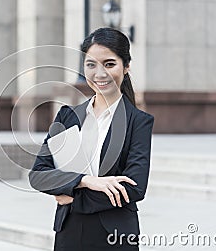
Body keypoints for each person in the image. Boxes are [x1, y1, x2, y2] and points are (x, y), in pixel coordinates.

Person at [29, 27, 154, 251]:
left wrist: (72, 195)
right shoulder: (68, 116)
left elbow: (134, 188)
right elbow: (38, 175)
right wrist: (85, 180)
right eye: (91, 65)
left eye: (109, 64)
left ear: (126, 67)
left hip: (114, 237)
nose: (99, 74)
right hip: (69, 233)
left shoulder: (138, 122)